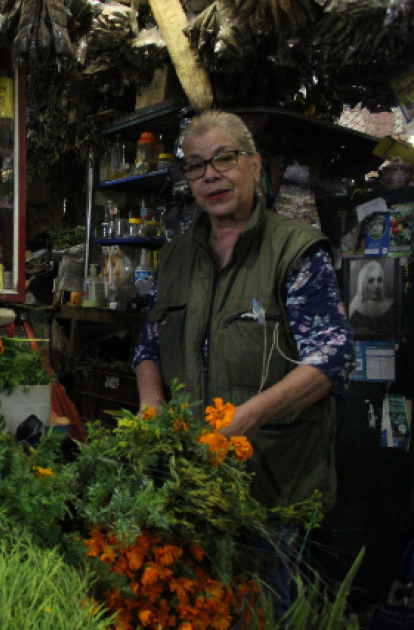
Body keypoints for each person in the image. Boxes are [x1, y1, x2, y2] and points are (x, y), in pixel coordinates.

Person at [131, 110, 354, 614]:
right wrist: (151, 406)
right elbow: (149, 344)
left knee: (261, 611)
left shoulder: (294, 250)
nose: (210, 175)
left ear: (254, 165)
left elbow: (332, 357)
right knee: (195, 610)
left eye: (224, 159)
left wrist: (244, 421)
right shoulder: (176, 258)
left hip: (272, 483)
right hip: (191, 477)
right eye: (195, 166)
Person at [347, 259, 396, 336]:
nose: (376, 286)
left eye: (379, 280)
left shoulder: (392, 305)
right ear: (363, 284)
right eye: (371, 281)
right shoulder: (354, 309)